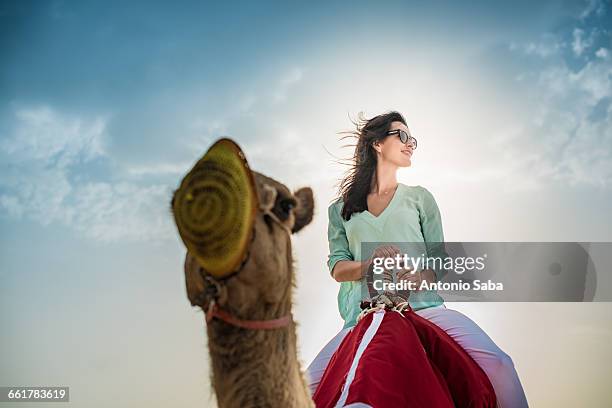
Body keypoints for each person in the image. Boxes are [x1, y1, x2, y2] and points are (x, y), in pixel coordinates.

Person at [306, 111, 529, 407]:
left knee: (500, 364)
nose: (410, 143)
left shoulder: (420, 198)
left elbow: (439, 258)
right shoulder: (340, 210)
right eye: (402, 136)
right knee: (306, 387)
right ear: (377, 144)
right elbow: (337, 267)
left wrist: (423, 276)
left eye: (413, 139)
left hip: (424, 307)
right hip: (361, 318)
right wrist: (368, 265)